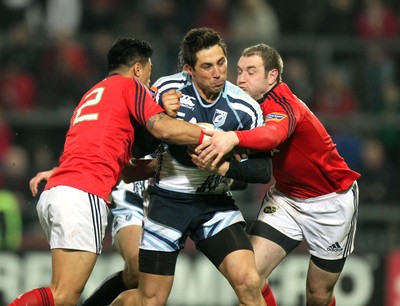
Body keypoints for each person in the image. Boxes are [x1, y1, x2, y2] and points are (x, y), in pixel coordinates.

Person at [9, 37, 208, 306]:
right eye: (149, 71)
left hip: (58, 191)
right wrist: (213, 137)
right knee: (63, 295)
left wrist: (164, 167)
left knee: (63, 295)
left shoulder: (92, 95)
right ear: (138, 69)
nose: (150, 80)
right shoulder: (130, 87)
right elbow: (163, 128)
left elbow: (123, 170)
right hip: (82, 194)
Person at [110, 27, 270, 306]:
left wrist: (221, 168)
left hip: (214, 203)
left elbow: (262, 171)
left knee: (250, 283)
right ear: (189, 69)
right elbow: (137, 148)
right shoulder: (165, 90)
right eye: (207, 66)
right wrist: (161, 116)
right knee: (149, 301)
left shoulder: (246, 108)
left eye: (221, 62)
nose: (218, 72)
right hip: (167, 203)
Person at [195, 43, 361, 306]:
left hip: (331, 200)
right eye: (239, 71)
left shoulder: (284, 103)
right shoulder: (243, 106)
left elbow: (273, 135)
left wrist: (232, 138)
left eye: (251, 71)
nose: (241, 78)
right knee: (250, 278)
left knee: (317, 295)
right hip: (286, 199)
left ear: (272, 76)